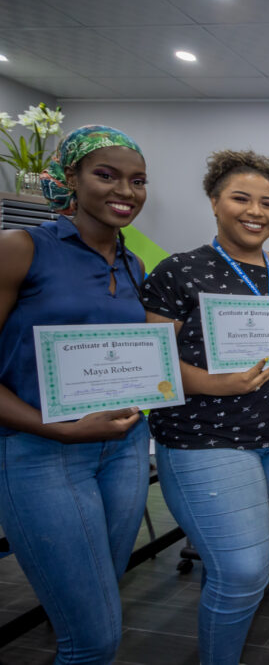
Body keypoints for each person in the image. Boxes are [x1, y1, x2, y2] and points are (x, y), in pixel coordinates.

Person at [142, 150, 269, 665]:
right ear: (214, 201)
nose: (256, 211)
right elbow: (149, 362)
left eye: (268, 203)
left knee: (230, 567)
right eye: (242, 198)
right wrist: (214, 384)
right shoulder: (179, 270)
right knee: (244, 572)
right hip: (205, 440)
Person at [0, 125, 151, 664]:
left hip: (124, 450)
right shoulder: (22, 248)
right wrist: (58, 428)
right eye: (106, 175)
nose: (125, 191)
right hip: (41, 452)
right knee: (94, 638)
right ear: (71, 177)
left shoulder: (133, 264)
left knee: (97, 601)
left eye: (138, 180)